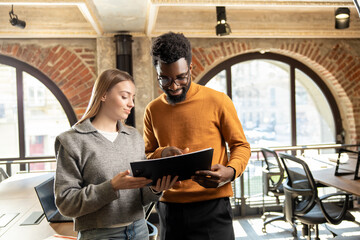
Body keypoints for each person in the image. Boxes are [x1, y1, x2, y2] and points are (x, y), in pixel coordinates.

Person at [143, 32, 251, 240]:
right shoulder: (152, 110)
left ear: (190, 69)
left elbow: (241, 146)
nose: (173, 86)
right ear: (157, 72)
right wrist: (162, 152)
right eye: (164, 79)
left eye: (181, 77)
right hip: (169, 209)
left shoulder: (218, 101)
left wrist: (230, 171)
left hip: (213, 207)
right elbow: (147, 156)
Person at [54, 69, 178, 240]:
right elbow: (66, 204)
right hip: (99, 235)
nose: (131, 104)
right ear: (103, 95)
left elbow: (141, 196)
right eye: (125, 96)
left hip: (140, 230)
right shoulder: (71, 141)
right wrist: (111, 187)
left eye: (132, 98)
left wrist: (156, 189)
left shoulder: (133, 136)